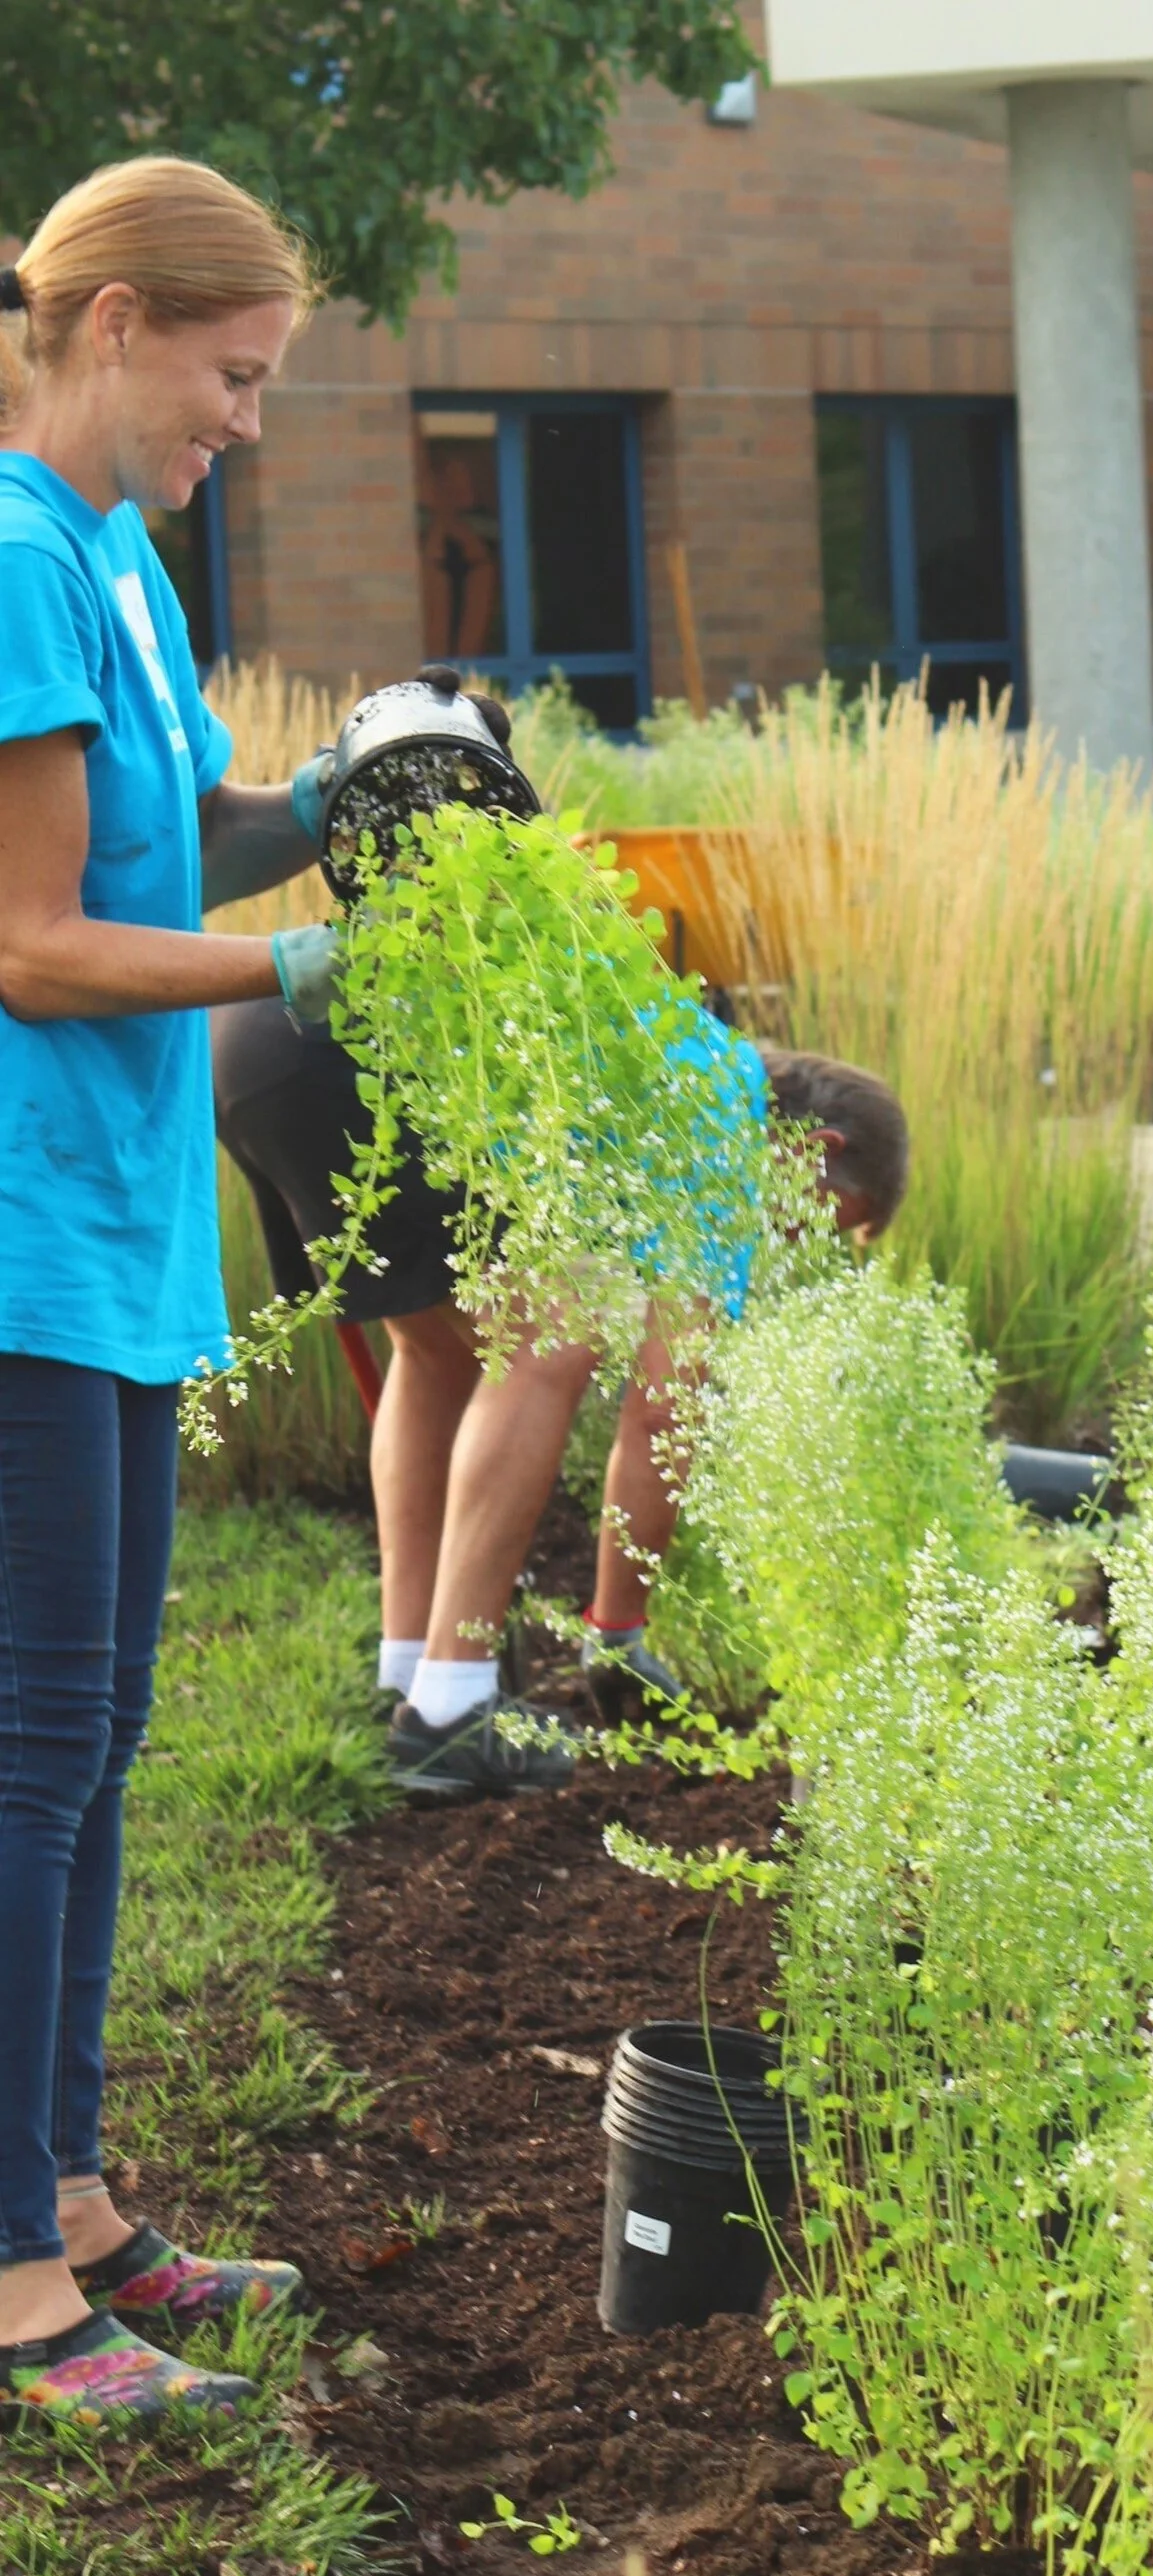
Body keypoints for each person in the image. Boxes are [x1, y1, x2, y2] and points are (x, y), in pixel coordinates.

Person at [0, 155, 353, 2426]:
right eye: (231, 381)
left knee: (106, 1728)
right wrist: (305, 958)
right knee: (29, 1749)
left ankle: (76, 2181)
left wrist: (346, 789)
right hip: (21, 1235)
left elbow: (170, 828)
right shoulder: (19, 559)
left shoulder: (119, 558)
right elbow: (27, 941)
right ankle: (13, 2276)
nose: (246, 427)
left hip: (119, 1224)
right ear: (114, 323)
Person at [219, 921, 910, 1796]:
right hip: (365, 1046)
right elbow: (666, 1408)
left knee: (433, 1354)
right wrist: (618, 1628)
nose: (788, 1238)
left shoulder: (673, 1043)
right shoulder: (722, 1118)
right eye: (818, 1219)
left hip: (264, 1030)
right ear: (818, 1152)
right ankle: (449, 1713)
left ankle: (410, 1673)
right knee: (562, 1324)